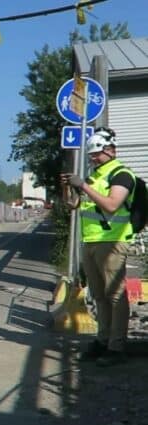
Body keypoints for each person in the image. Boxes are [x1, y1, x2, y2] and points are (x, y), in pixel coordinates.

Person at [61, 127, 132, 367]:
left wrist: (84, 186)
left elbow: (112, 205)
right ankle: (102, 340)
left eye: (96, 154)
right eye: (90, 156)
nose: (92, 159)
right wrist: (69, 187)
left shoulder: (121, 174)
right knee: (99, 296)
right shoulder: (95, 176)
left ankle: (117, 346)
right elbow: (73, 205)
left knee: (115, 295)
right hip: (91, 241)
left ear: (110, 150)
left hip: (112, 241)